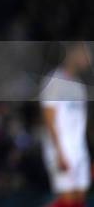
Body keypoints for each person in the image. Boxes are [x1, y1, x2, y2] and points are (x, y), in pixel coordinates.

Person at [41, 42, 91, 207]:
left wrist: (86, 152)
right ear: (73, 54)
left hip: (79, 150)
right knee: (68, 201)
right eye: (84, 54)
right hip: (61, 148)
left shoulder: (79, 86)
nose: (88, 58)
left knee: (79, 200)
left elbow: (82, 123)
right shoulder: (54, 81)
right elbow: (49, 119)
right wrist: (59, 152)